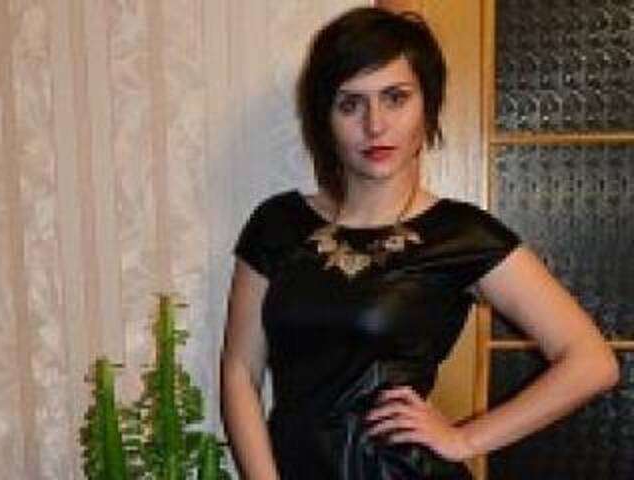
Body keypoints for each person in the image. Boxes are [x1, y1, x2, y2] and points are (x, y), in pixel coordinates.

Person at [220, 7, 619, 480]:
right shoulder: (278, 224)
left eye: (395, 98)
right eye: (350, 104)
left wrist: (466, 439)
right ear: (324, 117)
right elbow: (240, 371)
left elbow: (592, 362)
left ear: (427, 105)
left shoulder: (462, 234)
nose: (375, 125)